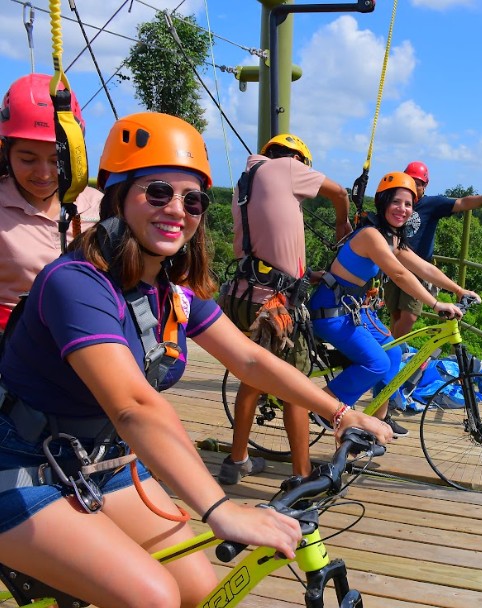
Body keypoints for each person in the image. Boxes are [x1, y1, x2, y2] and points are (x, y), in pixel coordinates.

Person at [0, 112, 391, 608]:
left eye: (193, 200)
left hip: (97, 462)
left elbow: (248, 358)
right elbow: (133, 406)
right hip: (19, 466)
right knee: (154, 597)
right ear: (118, 193)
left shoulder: (168, 288)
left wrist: (338, 412)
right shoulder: (75, 283)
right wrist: (219, 507)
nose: (177, 210)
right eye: (157, 192)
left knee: (204, 593)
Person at [218, 133, 352, 484]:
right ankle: (303, 476)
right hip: (274, 308)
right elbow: (341, 194)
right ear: (298, 161)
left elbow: (269, 242)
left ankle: (237, 460)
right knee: (295, 388)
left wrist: (304, 273)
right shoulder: (288, 168)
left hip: (243, 295)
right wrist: (342, 223)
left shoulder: (244, 183)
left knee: (253, 379)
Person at [309, 171, 480, 438]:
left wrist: (458, 290)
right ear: (383, 202)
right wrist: (436, 304)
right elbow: (400, 274)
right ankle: (323, 407)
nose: (403, 209)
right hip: (331, 311)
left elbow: (423, 267)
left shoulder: (391, 238)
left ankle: (378, 419)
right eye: (396, 202)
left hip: (351, 310)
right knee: (376, 361)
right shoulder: (371, 236)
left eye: (408, 204)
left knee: (393, 352)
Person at [0, 73, 102, 332]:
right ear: (5, 151)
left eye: (56, 160)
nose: (44, 174)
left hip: (89, 337)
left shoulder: (97, 205)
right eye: (27, 159)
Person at [384, 160, 482, 338]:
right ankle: (393, 349)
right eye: (410, 180)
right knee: (395, 313)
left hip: (419, 268)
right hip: (394, 263)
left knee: (409, 315)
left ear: (425, 185)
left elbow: (462, 202)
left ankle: (392, 351)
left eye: (418, 183)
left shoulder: (432, 204)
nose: (414, 186)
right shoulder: (395, 203)